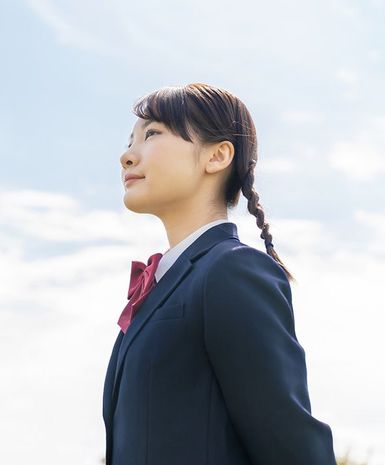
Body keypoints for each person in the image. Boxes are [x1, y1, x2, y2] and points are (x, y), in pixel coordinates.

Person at [102, 83, 336, 465]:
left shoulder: (230, 270)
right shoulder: (156, 292)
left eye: (152, 134)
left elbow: (293, 447)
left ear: (217, 155)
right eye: (131, 140)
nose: (127, 156)